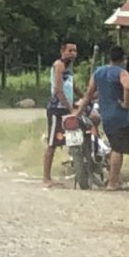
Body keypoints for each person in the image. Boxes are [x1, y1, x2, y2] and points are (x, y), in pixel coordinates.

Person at [75, 45, 129, 191]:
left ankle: (114, 179)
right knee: (118, 149)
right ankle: (113, 183)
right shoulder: (122, 72)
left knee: (114, 145)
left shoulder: (99, 72)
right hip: (120, 115)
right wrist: (126, 104)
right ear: (123, 58)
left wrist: (78, 112)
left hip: (105, 115)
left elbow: (88, 94)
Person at [44, 41, 79, 187]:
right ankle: (46, 177)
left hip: (65, 108)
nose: (73, 53)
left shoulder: (69, 68)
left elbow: (73, 87)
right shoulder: (58, 65)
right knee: (52, 142)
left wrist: (85, 97)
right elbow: (59, 90)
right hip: (57, 109)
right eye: (70, 50)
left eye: (75, 51)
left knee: (73, 139)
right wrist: (70, 108)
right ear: (62, 51)